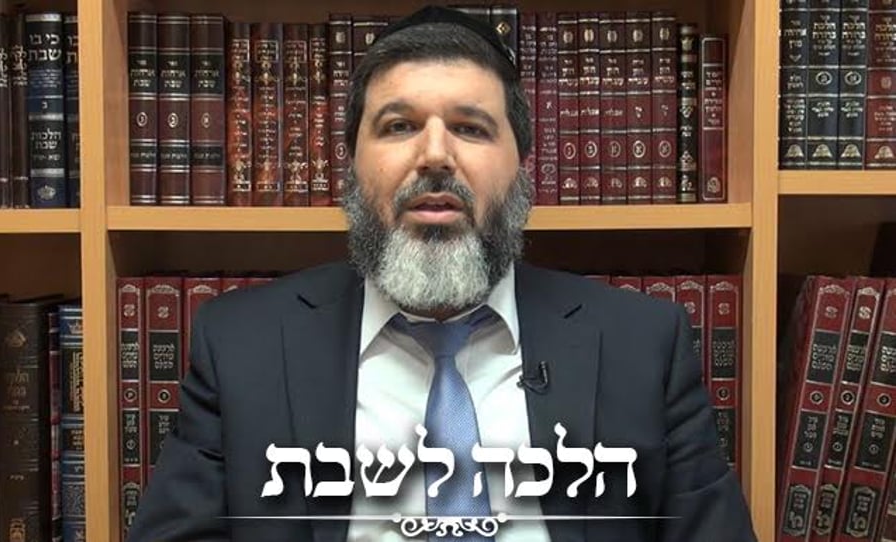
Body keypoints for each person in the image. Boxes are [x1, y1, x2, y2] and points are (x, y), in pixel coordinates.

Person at [127, 6, 757, 542]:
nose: (435, 155)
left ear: (521, 165)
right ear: (352, 165)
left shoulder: (642, 345)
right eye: (399, 126)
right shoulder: (242, 346)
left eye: (470, 128)